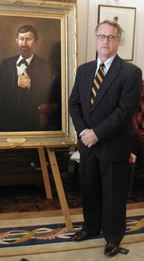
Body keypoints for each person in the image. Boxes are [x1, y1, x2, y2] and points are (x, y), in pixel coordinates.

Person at [69, 20, 142, 257]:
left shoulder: (131, 72)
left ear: (118, 40)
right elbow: (74, 104)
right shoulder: (84, 70)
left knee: (113, 195)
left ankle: (112, 238)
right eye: (101, 36)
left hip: (112, 144)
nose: (105, 41)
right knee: (89, 190)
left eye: (111, 37)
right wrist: (84, 133)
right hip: (87, 144)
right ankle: (90, 228)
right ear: (96, 39)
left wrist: (97, 133)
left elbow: (124, 111)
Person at [0, 24, 61, 132]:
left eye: (28, 39)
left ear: (36, 42)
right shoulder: (6, 63)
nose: (24, 43)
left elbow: (51, 95)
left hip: (30, 120)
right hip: (2, 117)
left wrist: (30, 85)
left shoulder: (45, 66)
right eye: (21, 39)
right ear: (17, 41)